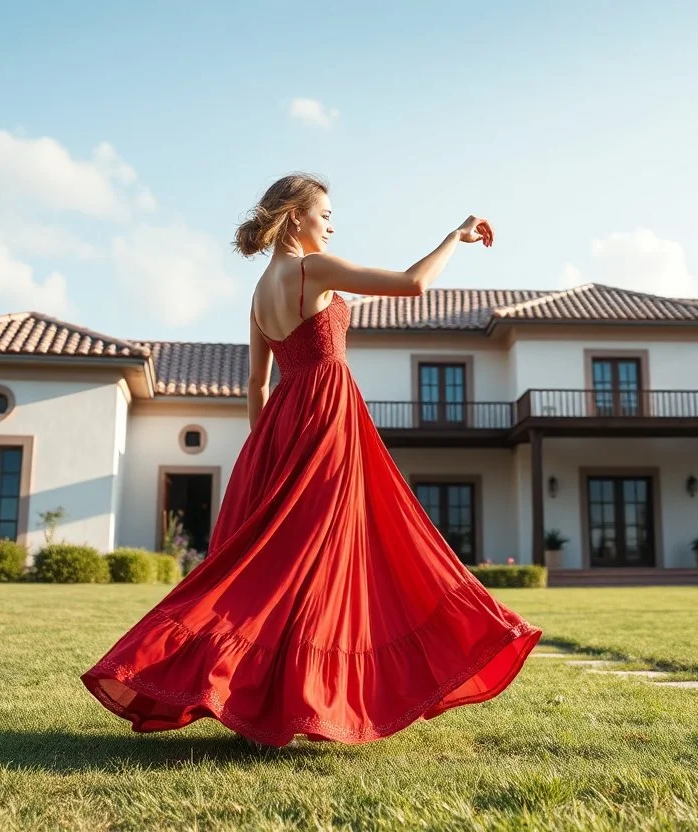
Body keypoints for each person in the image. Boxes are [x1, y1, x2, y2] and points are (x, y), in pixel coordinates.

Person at [81, 173, 543, 747]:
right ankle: (295, 698)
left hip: (279, 426)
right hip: (325, 421)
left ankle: (270, 698)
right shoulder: (309, 270)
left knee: (283, 568)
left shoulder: (258, 293)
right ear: (296, 215)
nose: (332, 223)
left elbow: (255, 384)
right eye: (325, 213)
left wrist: (264, 451)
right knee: (327, 561)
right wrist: (457, 233)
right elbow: (414, 284)